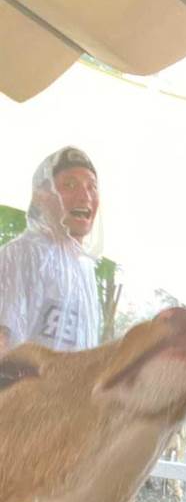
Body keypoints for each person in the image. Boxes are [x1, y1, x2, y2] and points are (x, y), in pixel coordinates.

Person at [0, 146, 101, 353]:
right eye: (70, 184)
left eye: (92, 186)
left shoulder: (85, 270)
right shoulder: (20, 255)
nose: (85, 196)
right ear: (42, 195)